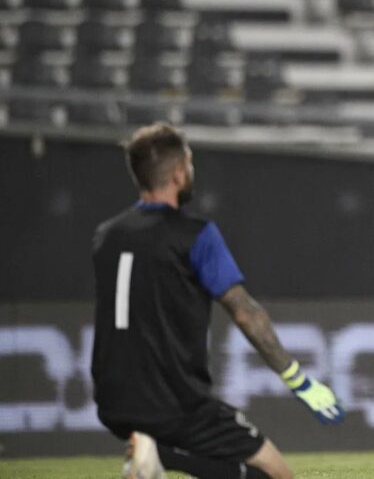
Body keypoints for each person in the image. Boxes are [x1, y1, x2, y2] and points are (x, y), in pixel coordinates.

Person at [91, 123, 344, 479]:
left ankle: (160, 452)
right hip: (174, 402)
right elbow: (245, 313)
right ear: (179, 173)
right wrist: (299, 381)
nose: (192, 172)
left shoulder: (106, 236)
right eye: (190, 164)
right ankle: (164, 455)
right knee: (277, 475)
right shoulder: (194, 235)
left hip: (112, 399)